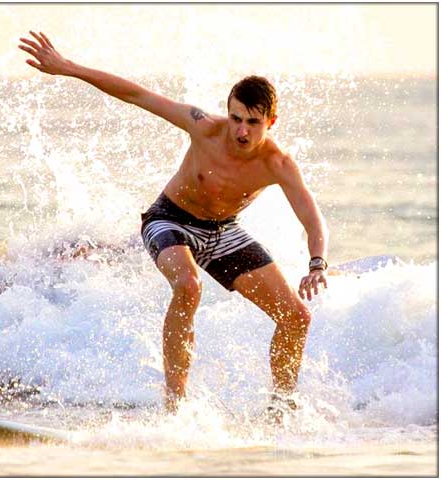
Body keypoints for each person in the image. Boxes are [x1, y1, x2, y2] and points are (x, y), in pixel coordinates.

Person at [18, 31, 329, 416]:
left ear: (271, 121)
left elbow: (311, 216)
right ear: (226, 112)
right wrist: (68, 68)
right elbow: (138, 95)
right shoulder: (203, 126)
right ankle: (175, 407)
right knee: (188, 285)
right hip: (169, 220)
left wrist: (317, 263)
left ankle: (280, 410)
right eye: (235, 118)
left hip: (223, 232)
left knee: (296, 315)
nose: (241, 131)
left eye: (252, 122)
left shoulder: (277, 164)